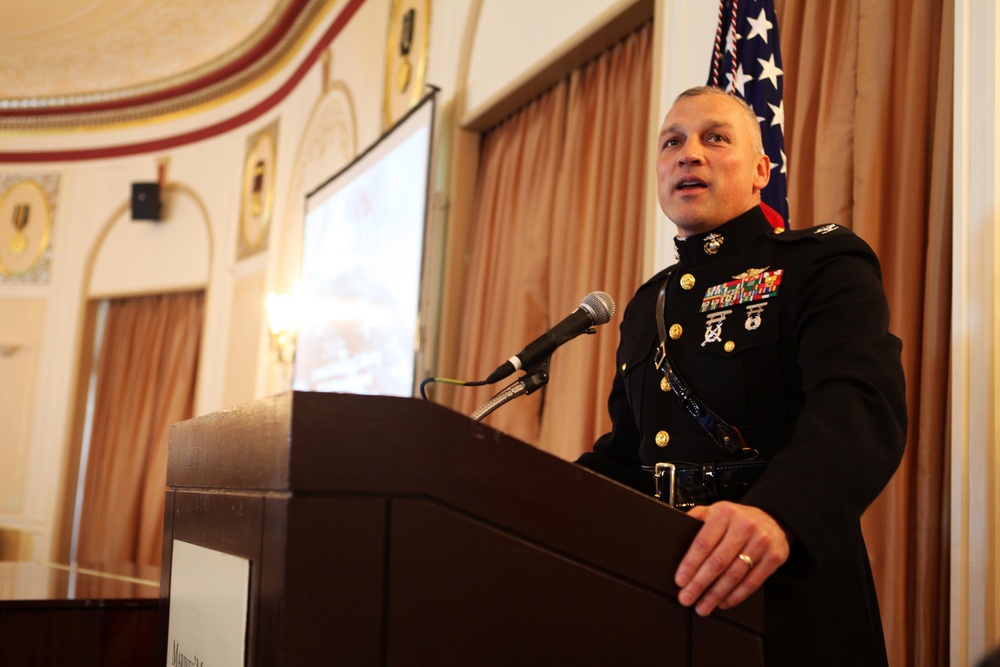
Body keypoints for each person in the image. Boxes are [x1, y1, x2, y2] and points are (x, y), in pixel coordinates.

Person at [577, 86, 907, 665]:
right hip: (663, 592)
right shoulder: (647, 305)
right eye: (672, 142)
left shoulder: (818, 263)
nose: (689, 154)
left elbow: (858, 403)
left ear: (761, 170)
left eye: (715, 138)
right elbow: (629, 454)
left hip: (787, 599)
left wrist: (778, 514)